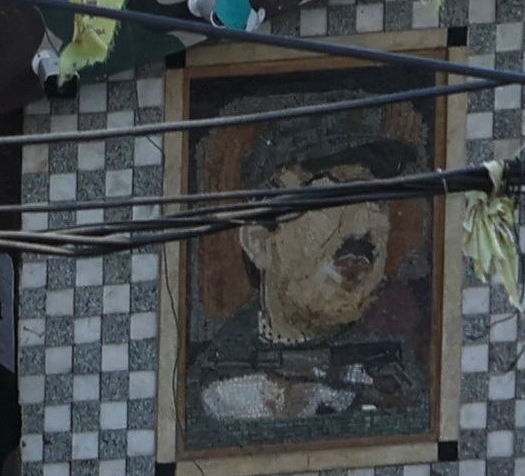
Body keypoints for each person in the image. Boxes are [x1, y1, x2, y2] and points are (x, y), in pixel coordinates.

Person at [182, 135, 427, 438]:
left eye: (376, 199)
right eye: (329, 195)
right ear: (259, 241)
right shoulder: (204, 390)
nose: (363, 226)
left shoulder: (402, 375)